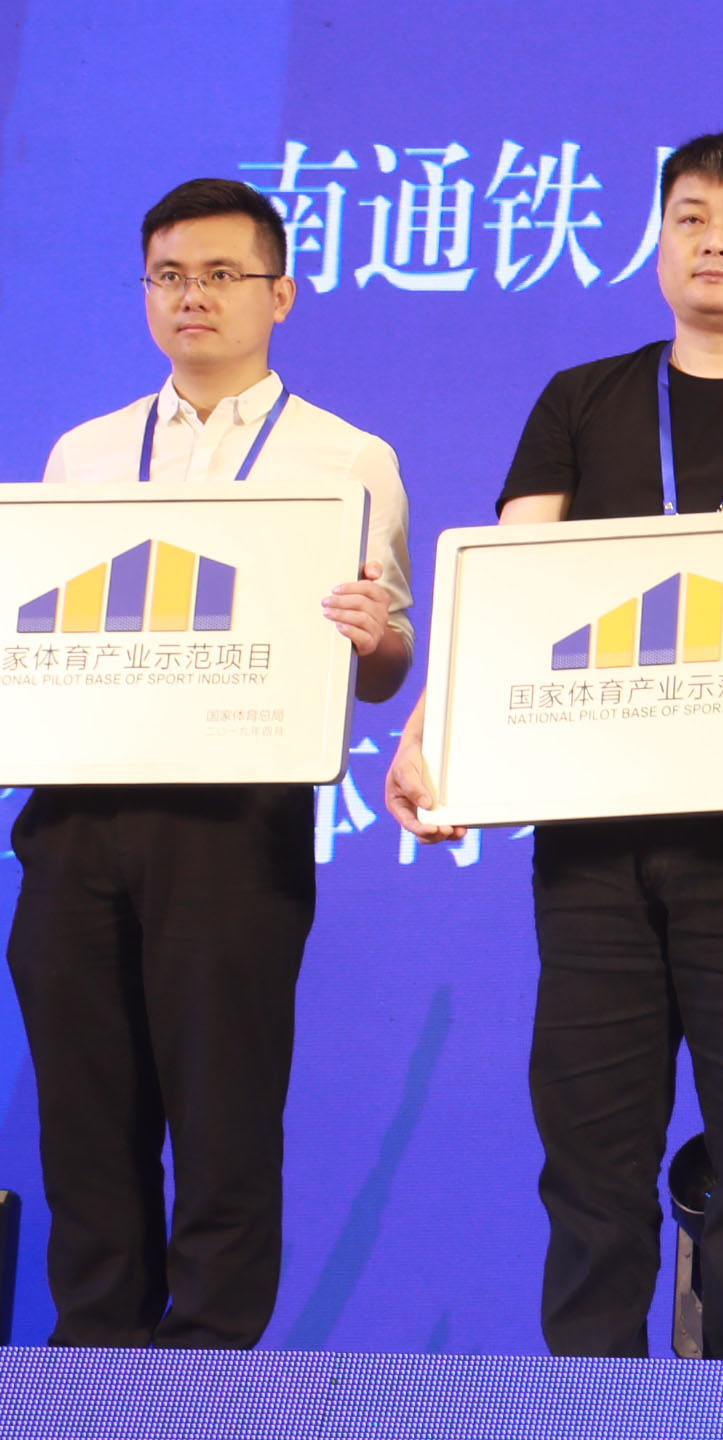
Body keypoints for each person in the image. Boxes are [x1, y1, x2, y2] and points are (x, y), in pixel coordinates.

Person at [383, 132, 723, 1359]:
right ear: (658, 240)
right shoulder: (584, 397)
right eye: (689, 216)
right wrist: (432, 733)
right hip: (595, 838)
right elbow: (509, 582)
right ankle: (590, 1397)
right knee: (590, 1144)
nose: (713, 240)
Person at [13, 178, 412, 1348]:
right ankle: (93, 1356)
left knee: (223, 1109)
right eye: (170, 276)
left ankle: (206, 1368)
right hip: (76, 814)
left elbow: (386, 662)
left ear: (279, 295)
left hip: (234, 821)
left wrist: (374, 636)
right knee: (86, 1112)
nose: (194, 296)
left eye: (223, 274)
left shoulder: (349, 457)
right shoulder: (85, 453)